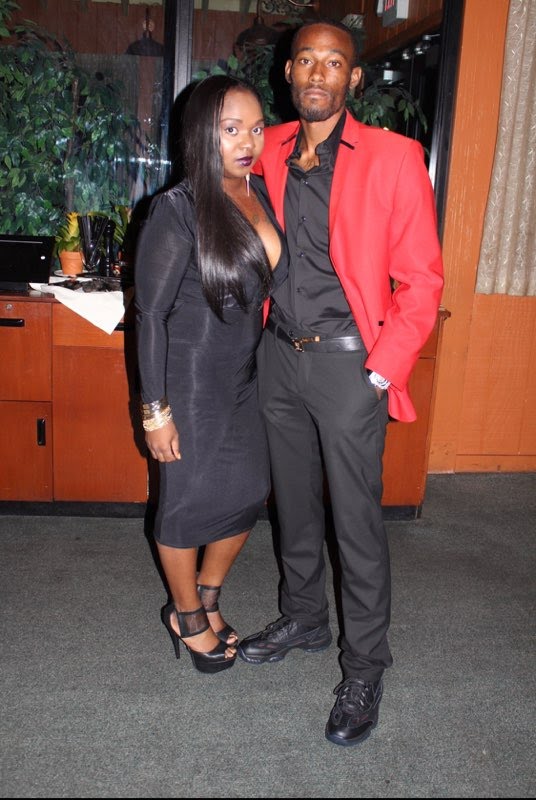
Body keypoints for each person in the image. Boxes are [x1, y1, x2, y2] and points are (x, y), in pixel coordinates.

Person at [237, 20, 444, 743]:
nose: (318, 73)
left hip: (352, 363)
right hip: (279, 355)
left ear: (353, 78)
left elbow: (422, 281)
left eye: (333, 62)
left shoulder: (395, 156)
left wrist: (382, 368)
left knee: (355, 522)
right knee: (293, 506)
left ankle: (365, 667)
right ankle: (303, 617)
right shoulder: (267, 149)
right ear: (288, 72)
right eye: (306, 60)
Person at [135, 75, 288, 675]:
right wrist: (155, 410)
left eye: (256, 129)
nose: (247, 142)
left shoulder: (258, 193)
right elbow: (150, 315)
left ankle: (208, 593)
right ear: (203, 134)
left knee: (249, 490)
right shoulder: (176, 209)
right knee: (185, 501)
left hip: (244, 374)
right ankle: (185, 614)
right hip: (191, 378)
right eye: (231, 129)